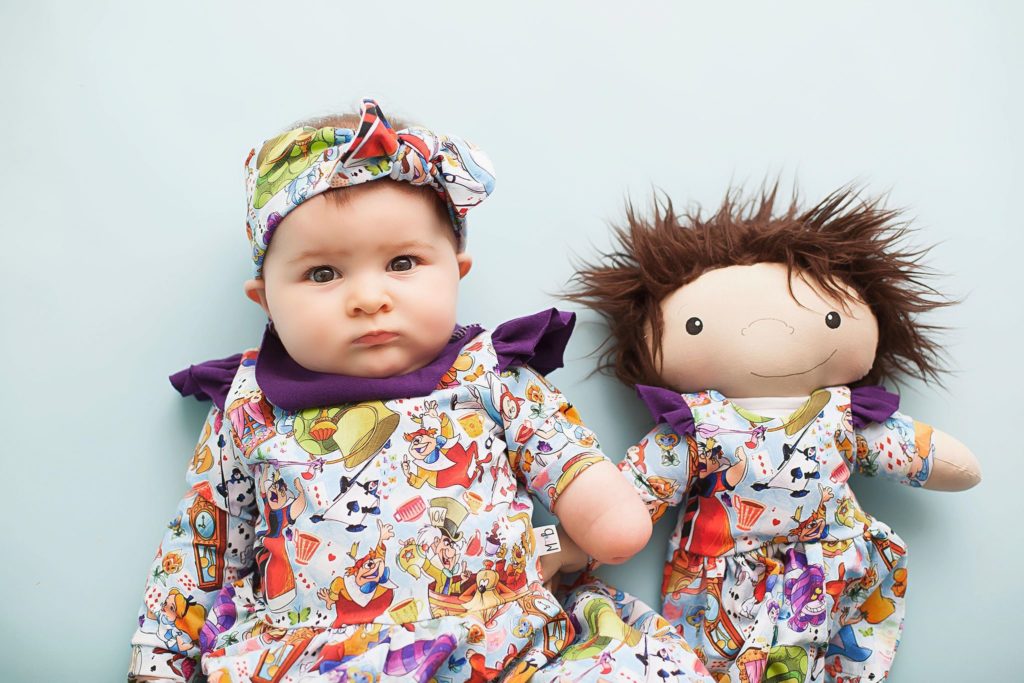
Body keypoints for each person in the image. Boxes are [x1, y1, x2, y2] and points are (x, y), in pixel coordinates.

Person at [128, 98, 712, 682]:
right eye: (323, 274)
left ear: (455, 272)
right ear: (266, 301)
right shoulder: (251, 407)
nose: (369, 297)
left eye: (403, 262)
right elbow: (200, 548)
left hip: (505, 641)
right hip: (320, 658)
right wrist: (159, 663)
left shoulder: (491, 376)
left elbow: (573, 467)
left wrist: (595, 512)